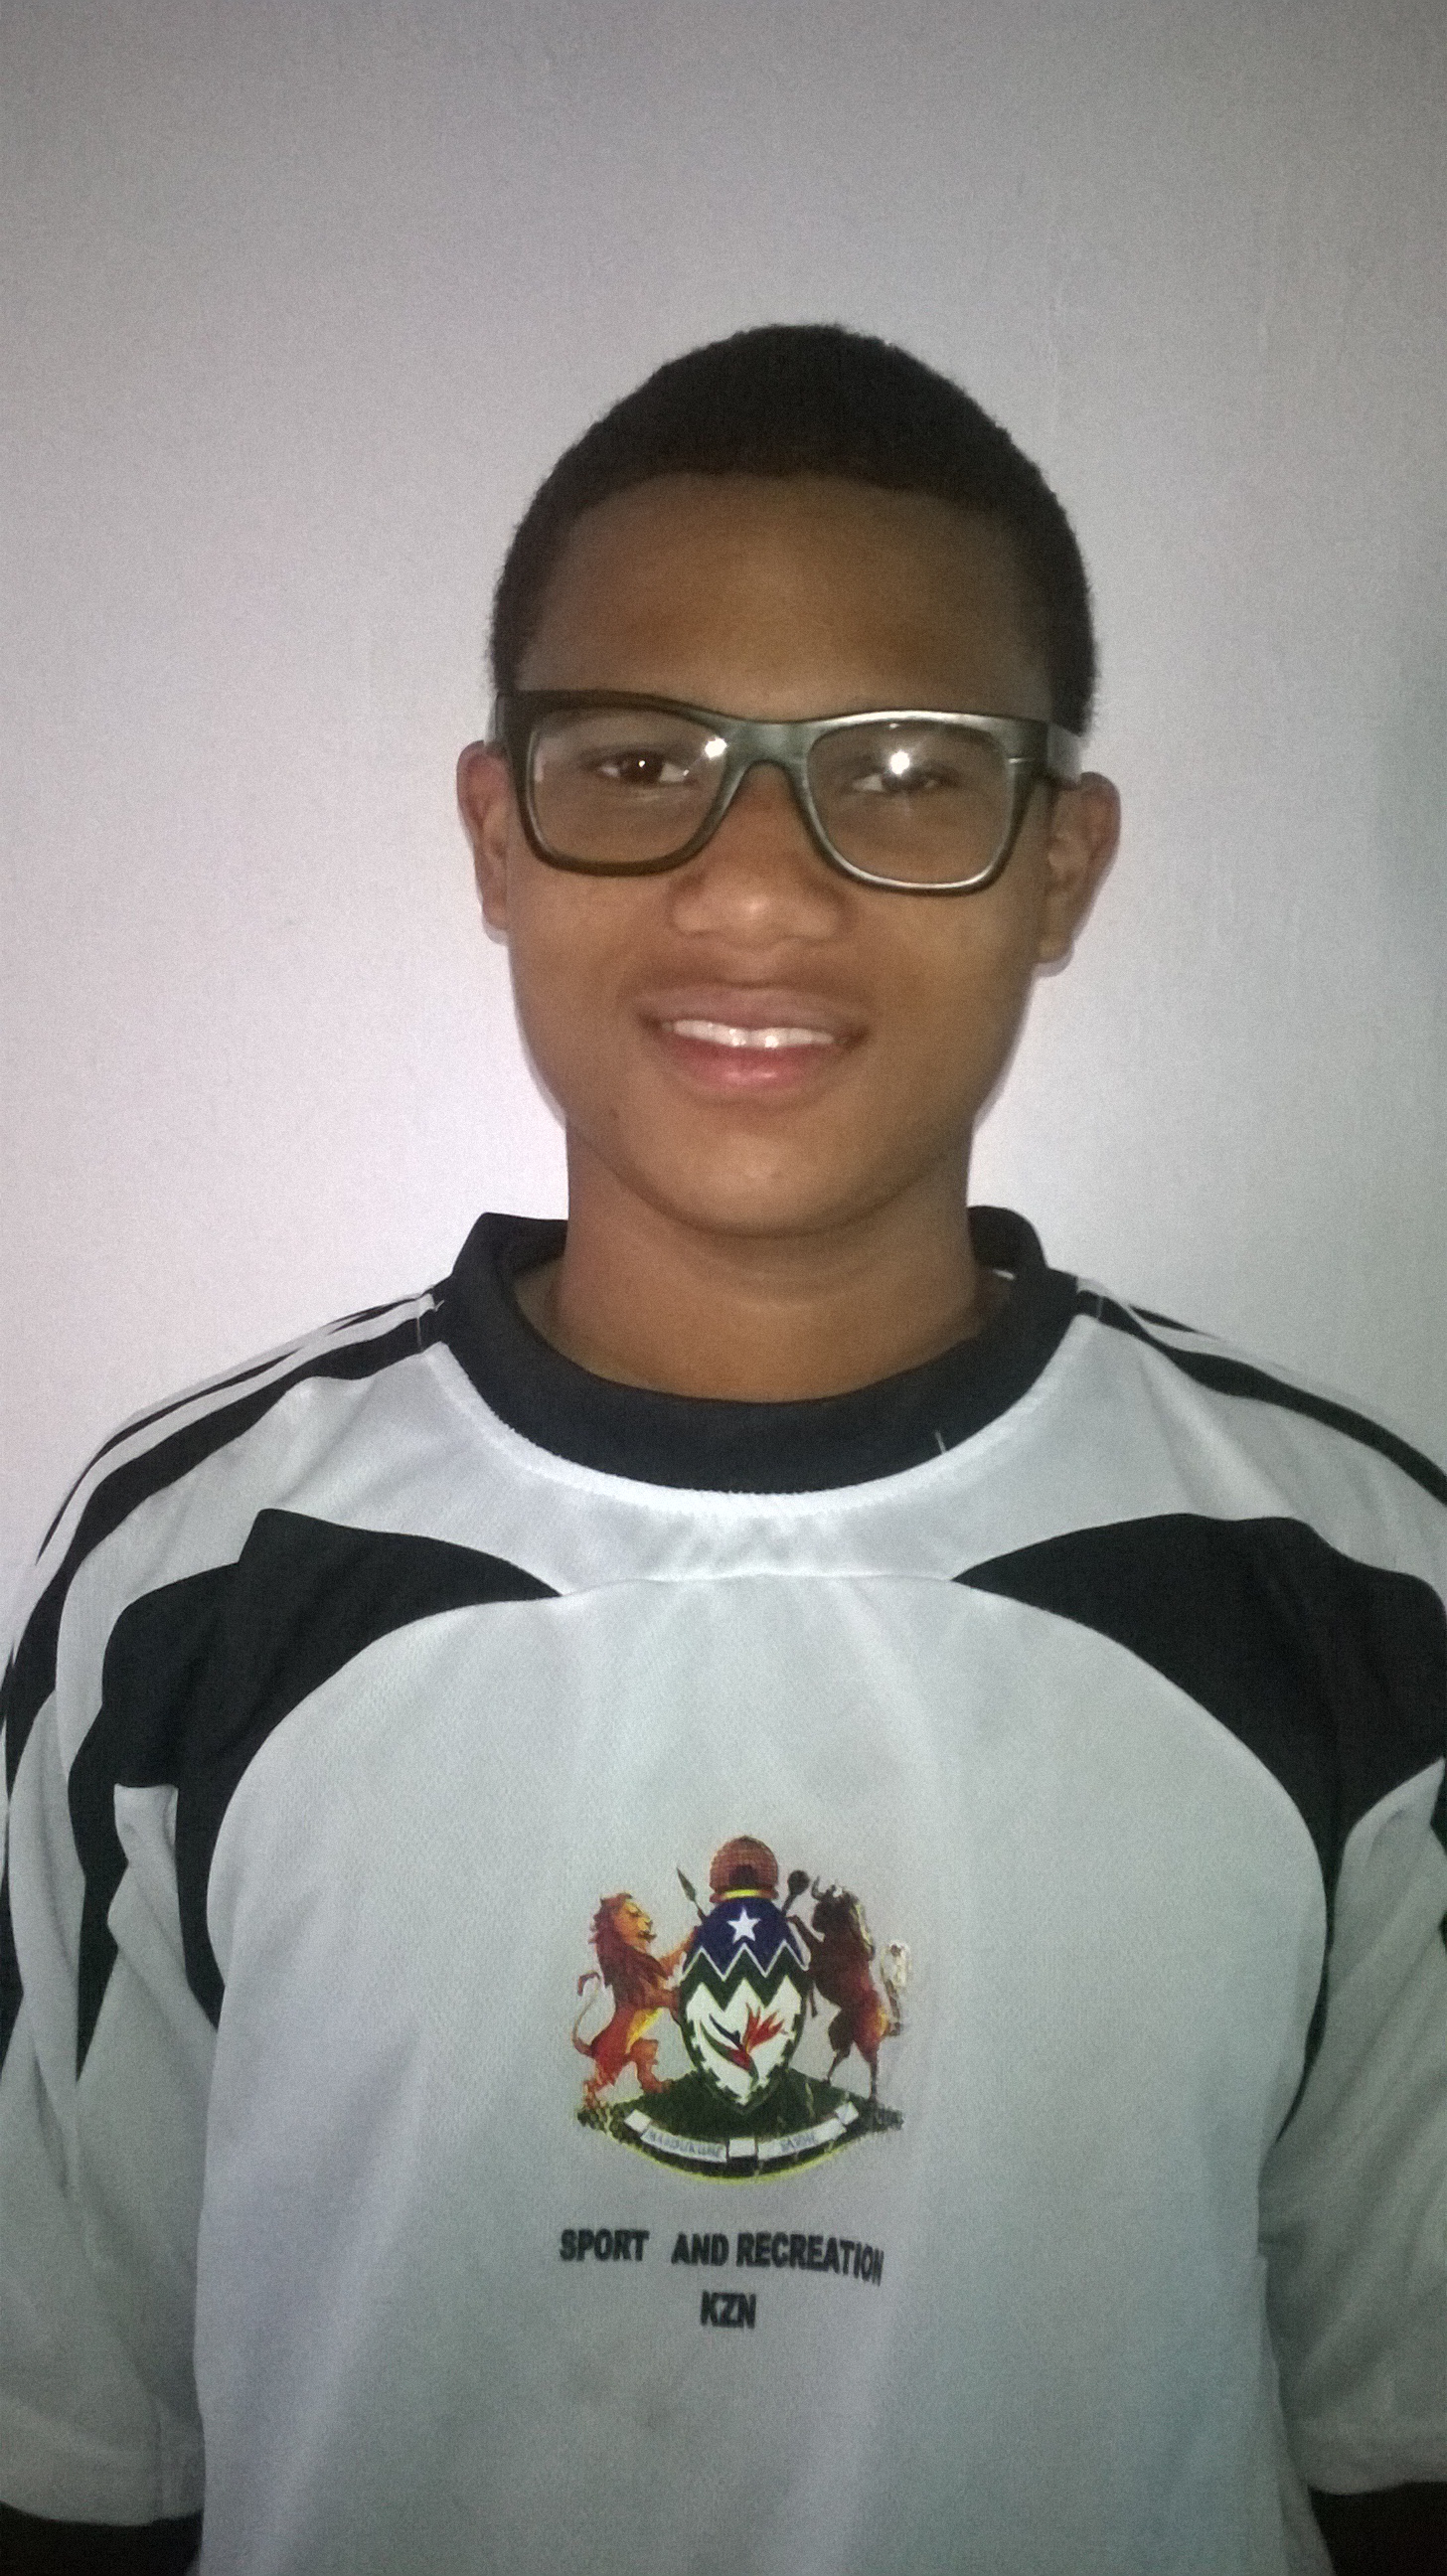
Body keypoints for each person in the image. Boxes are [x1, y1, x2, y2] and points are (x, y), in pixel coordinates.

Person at [1, 324, 1442, 2576]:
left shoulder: (1353, 1587)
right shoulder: (188, 1582)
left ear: (1061, 867)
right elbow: (77, 2457)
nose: (757, 887)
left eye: (905, 769)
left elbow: (1402, 2454)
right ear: (498, 835)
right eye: (639, 757)